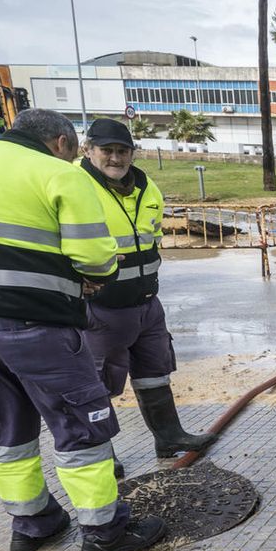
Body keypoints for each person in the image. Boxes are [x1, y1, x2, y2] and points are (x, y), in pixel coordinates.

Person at [0, 108, 166, 551]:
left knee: (4, 424)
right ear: (61, 143)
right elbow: (95, 256)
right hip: (31, 321)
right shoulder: (59, 173)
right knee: (81, 423)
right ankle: (105, 532)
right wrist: (92, 277)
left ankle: (33, 523)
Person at [78, 118, 216, 472]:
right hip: (100, 305)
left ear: (132, 153)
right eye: (106, 150)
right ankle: (100, 454)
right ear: (88, 149)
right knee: (97, 384)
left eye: (122, 151)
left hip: (145, 302)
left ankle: (169, 436)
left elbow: (150, 237)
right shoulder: (76, 187)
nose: (115, 158)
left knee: (155, 371)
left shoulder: (146, 186)